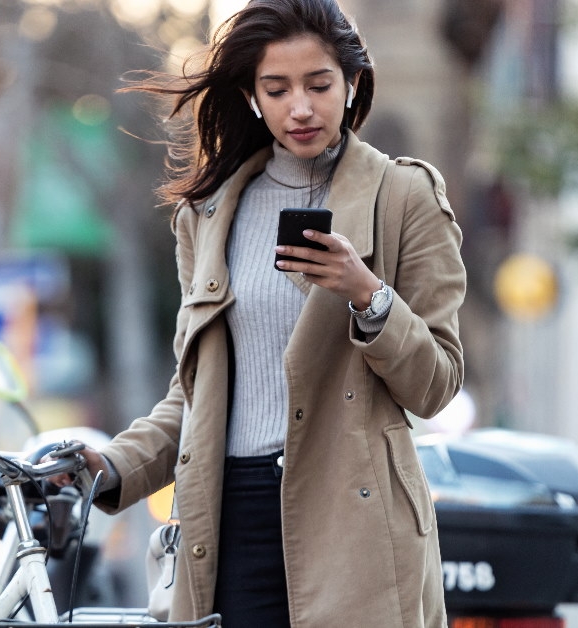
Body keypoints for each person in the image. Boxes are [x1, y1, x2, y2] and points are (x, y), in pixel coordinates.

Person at [68, 0, 465, 625]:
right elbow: (195, 395)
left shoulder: (403, 196)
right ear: (251, 97)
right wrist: (113, 466)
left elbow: (436, 385)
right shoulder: (207, 214)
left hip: (355, 524)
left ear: (352, 83)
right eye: (277, 89)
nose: (299, 108)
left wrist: (367, 294)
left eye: (318, 85)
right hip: (230, 520)